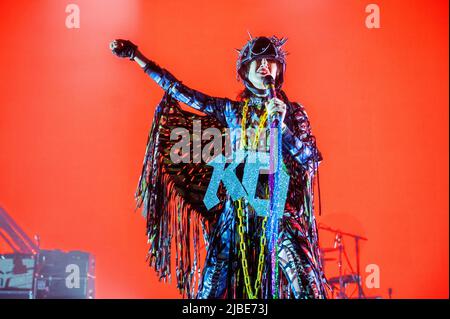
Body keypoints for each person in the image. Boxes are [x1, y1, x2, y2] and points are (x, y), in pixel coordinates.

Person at [110, 35, 328, 299]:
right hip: (236, 215)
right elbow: (181, 91)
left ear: (279, 69)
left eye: (269, 60)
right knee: (209, 293)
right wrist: (138, 58)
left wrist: (282, 127)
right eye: (255, 61)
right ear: (244, 72)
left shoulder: (294, 113)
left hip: (279, 211)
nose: (263, 66)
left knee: (308, 288)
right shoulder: (230, 111)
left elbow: (311, 159)